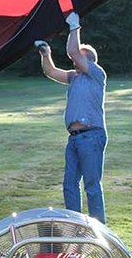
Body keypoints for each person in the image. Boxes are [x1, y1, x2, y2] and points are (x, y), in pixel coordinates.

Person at [35, 12, 108, 224]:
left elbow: (73, 52)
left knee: (92, 186)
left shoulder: (97, 74)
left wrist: (74, 27)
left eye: (81, 57)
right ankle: (74, 225)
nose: (75, 60)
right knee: (69, 184)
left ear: (89, 61)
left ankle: (98, 228)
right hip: (74, 137)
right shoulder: (73, 77)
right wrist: (45, 54)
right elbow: (50, 71)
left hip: (91, 135)